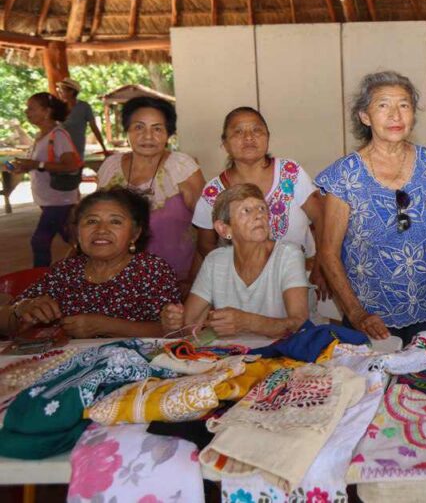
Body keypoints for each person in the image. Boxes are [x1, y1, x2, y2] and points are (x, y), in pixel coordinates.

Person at [316, 71, 426, 343]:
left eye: (404, 105)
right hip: (368, 317)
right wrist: (357, 314)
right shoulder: (344, 176)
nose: (395, 115)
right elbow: (328, 252)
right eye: (383, 105)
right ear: (365, 117)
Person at [2, 187, 179, 338]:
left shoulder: (152, 271)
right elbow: (5, 321)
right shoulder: (65, 272)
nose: (101, 230)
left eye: (115, 222)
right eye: (91, 221)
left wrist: (108, 326)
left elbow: (174, 332)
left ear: (135, 233)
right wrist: (22, 309)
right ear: (77, 232)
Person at [191, 107, 325, 291]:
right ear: (225, 143)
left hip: (302, 278)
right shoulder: (214, 192)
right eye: (238, 132)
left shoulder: (290, 172)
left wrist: (321, 264)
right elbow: (205, 245)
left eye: (256, 130)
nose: (248, 137)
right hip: (244, 287)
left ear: (267, 137)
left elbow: (321, 218)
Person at [162, 184, 309, 338]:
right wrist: (174, 321)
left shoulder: (288, 254)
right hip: (231, 357)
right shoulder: (215, 261)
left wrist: (247, 322)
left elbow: (299, 324)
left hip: (280, 355)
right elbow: (190, 325)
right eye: (246, 211)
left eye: (262, 209)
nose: (259, 215)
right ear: (224, 229)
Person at [97, 97, 205, 286]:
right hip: (119, 279)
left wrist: (193, 281)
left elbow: (208, 228)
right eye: (139, 127)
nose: (148, 136)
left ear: (168, 134)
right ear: (127, 131)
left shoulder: (181, 167)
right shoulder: (110, 167)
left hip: (176, 279)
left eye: (157, 129)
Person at [8, 93, 83, 267]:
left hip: (59, 200)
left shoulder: (58, 136)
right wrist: (26, 166)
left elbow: (70, 165)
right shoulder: (41, 136)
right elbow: (40, 165)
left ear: (47, 111)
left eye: (31, 108)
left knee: (39, 241)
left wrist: (36, 163)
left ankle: (40, 283)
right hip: (48, 199)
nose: (27, 112)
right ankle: (91, 270)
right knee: (73, 238)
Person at [56, 78, 109, 158]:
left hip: (77, 147)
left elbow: (94, 128)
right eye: (59, 90)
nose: (59, 92)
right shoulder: (59, 107)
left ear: (71, 92)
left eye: (62, 90)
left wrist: (104, 148)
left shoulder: (84, 107)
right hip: (59, 147)